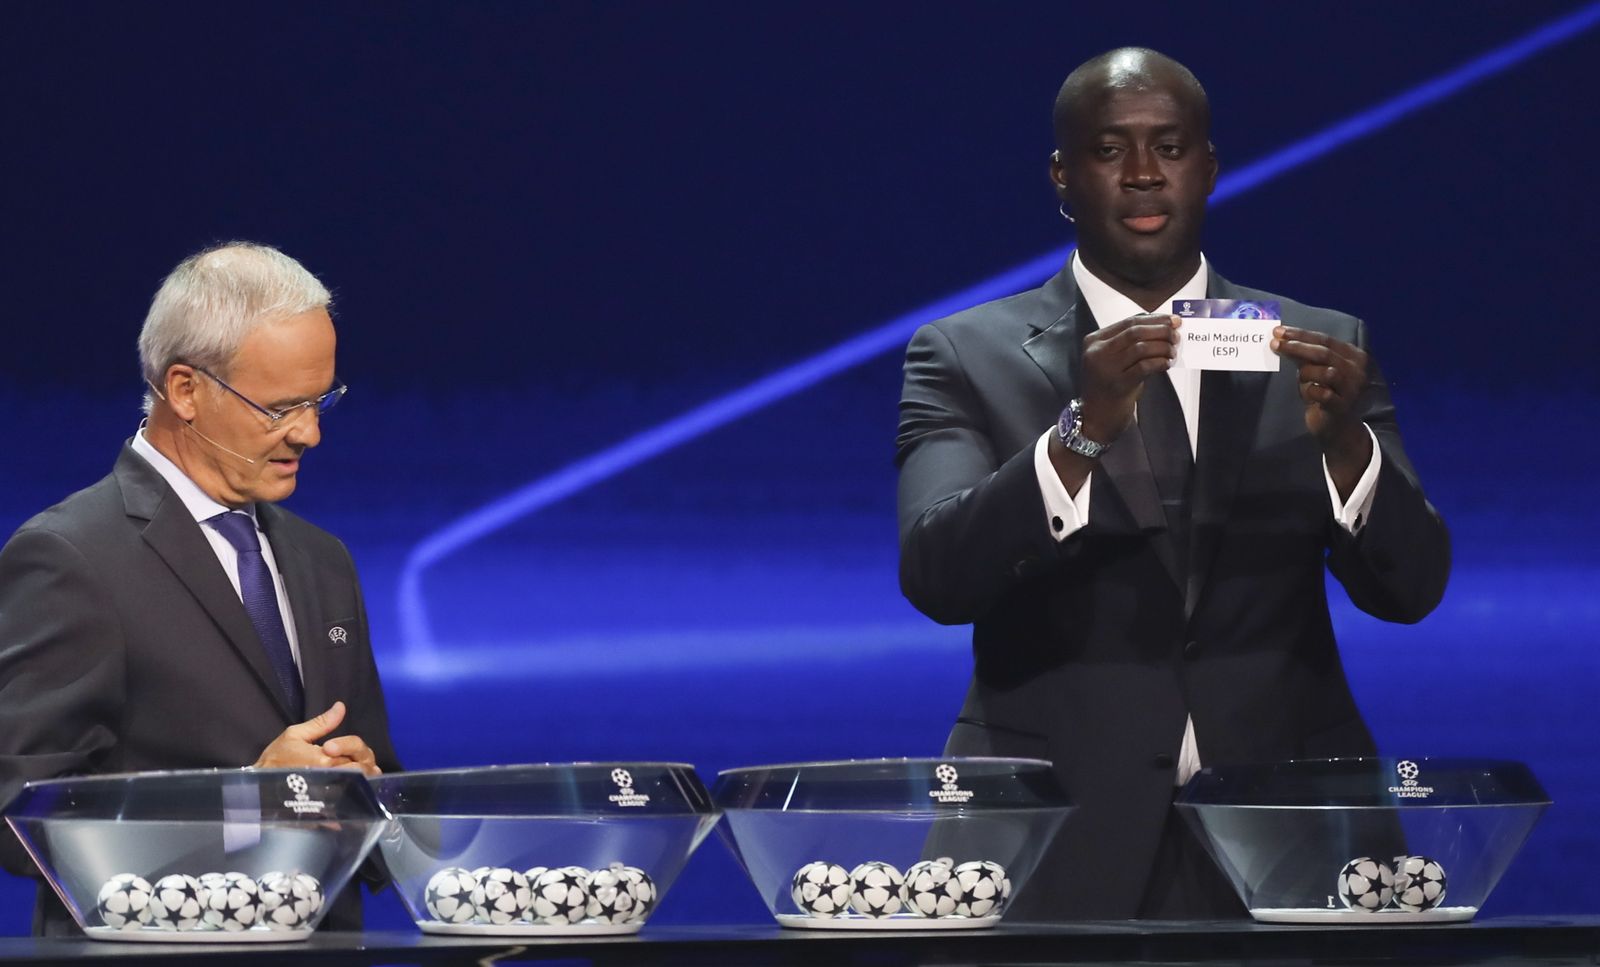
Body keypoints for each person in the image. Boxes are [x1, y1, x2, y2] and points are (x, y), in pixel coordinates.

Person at [895, 48, 1450, 919]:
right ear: (1062, 177)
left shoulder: (1317, 344)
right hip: (1052, 825)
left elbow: (1413, 589)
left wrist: (1345, 446)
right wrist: (1082, 430)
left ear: (1211, 168)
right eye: (1111, 150)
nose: (1145, 174)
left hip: (1291, 824)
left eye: (1171, 146)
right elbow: (938, 575)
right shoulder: (964, 354)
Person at [0, 242, 400, 934]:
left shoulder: (321, 561)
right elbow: (18, 815)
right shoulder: (72, 557)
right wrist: (245, 801)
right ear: (185, 390)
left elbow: (379, 826)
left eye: (321, 400)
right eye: (280, 407)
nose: (309, 433)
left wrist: (365, 796)